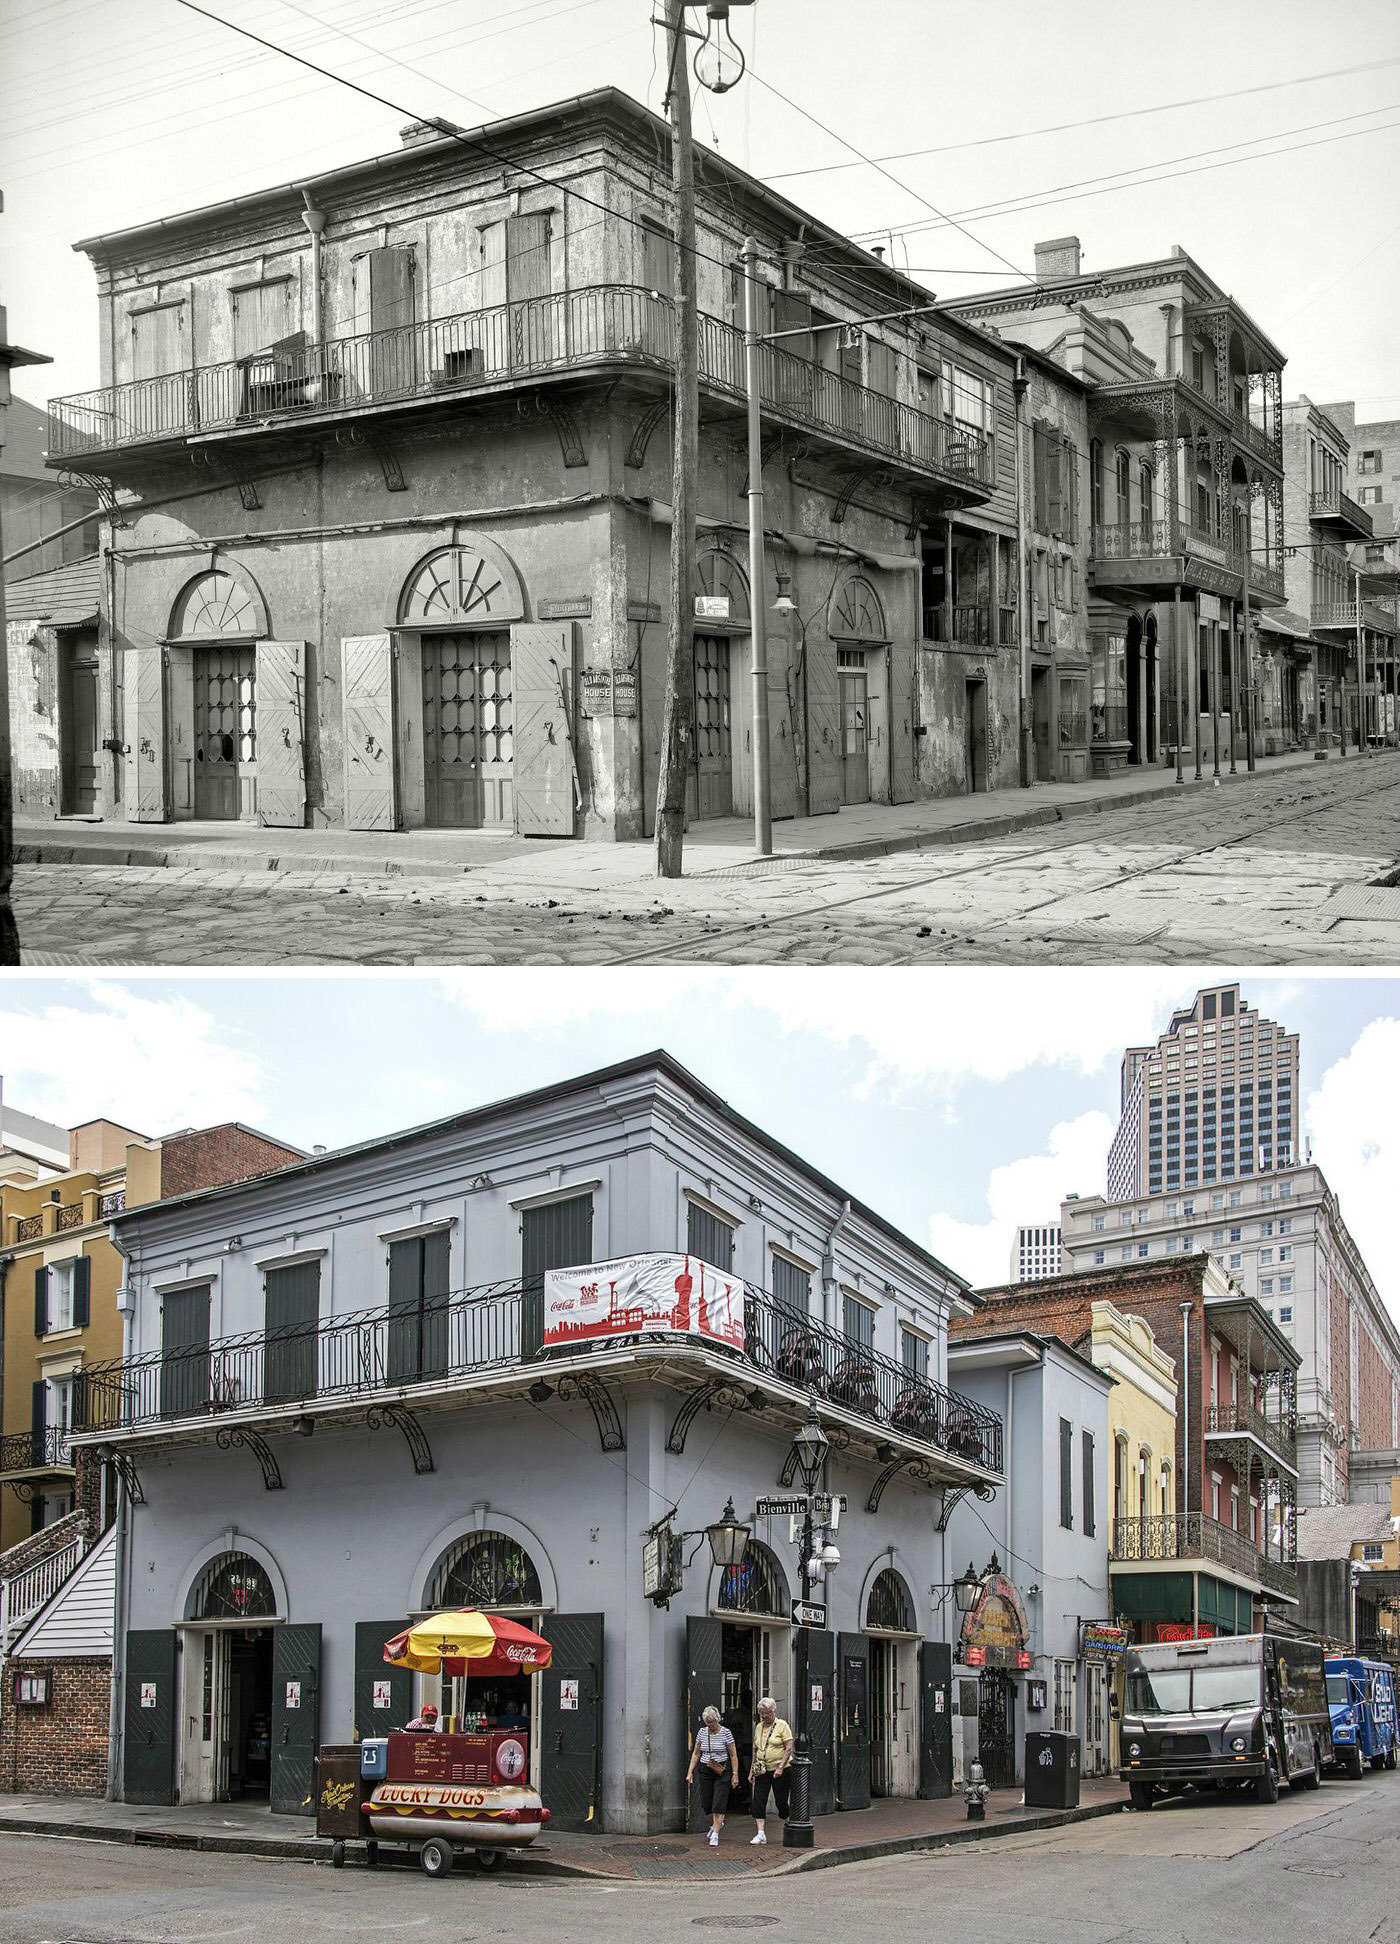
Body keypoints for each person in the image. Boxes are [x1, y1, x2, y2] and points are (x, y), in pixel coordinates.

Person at [685, 1704, 738, 1846]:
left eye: (712, 1722)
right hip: (706, 1769)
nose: (710, 1725)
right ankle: (717, 1824)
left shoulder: (726, 1733)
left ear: (717, 1720)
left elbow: (733, 1755)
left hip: (722, 1770)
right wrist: (690, 1772)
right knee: (706, 1803)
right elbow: (696, 1753)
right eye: (707, 1722)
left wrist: (735, 1774)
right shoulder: (702, 1732)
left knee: (719, 1802)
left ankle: (715, 1833)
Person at [748, 1696, 793, 1844]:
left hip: (780, 1770)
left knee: (781, 1801)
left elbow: (788, 1747)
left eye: (766, 1712)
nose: (764, 1716)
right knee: (758, 1800)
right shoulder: (759, 1727)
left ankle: (789, 1823)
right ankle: (760, 1833)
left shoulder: (782, 1725)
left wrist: (780, 1767)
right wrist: (751, 1771)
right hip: (762, 1769)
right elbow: (756, 1749)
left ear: (773, 1711)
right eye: (762, 1713)